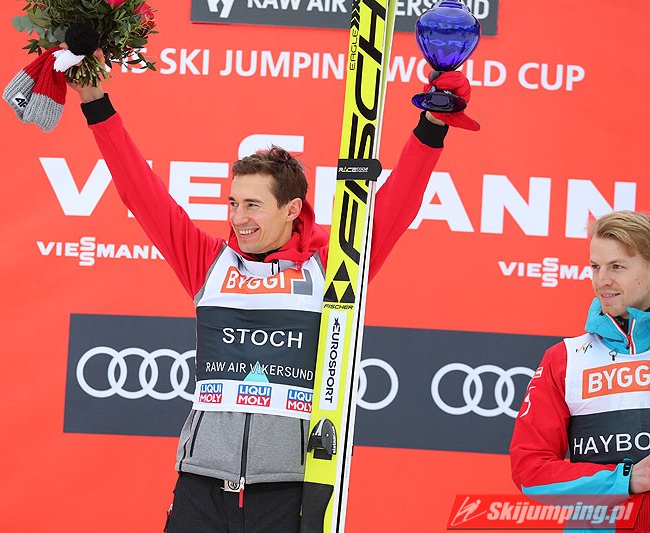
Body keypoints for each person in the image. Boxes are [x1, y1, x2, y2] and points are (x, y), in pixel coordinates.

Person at [67, 61, 476, 531]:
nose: (238, 218)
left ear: (292, 209)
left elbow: (397, 204)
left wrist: (432, 125)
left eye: (253, 205)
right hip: (200, 483)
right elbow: (140, 191)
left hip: (287, 489)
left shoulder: (335, 268)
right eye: (233, 203)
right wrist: (95, 102)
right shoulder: (208, 263)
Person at [510, 210, 650, 532]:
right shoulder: (564, 359)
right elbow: (530, 471)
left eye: (617, 266)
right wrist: (626, 480)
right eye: (596, 267)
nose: (602, 281)